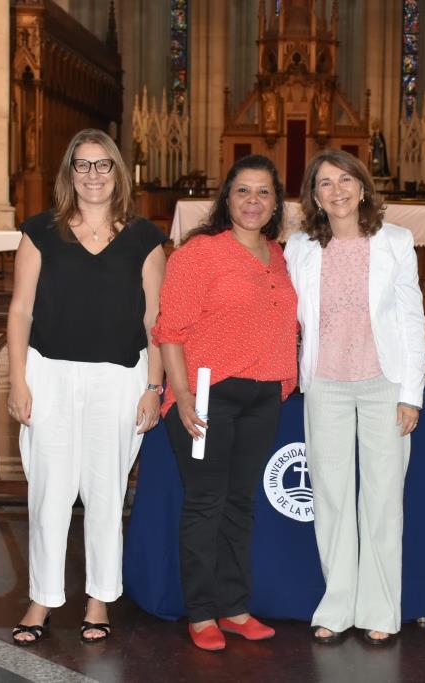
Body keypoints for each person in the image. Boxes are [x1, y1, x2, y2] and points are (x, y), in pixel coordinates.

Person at [7, 129, 166, 646]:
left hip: (119, 378)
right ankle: (42, 598)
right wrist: (17, 380)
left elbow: (154, 318)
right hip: (49, 373)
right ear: (69, 173)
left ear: (117, 172)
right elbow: (21, 309)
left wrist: (154, 385)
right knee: (50, 493)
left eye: (103, 165)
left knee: (105, 492)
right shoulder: (39, 231)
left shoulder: (144, 237)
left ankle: (99, 597)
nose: (93, 175)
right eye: (83, 165)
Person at [152, 154, 298, 651]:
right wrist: (185, 395)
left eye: (263, 192)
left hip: (263, 396)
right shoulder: (200, 254)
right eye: (243, 191)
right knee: (205, 503)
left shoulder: (278, 255)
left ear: (277, 203)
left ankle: (235, 606)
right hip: (208, 395)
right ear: (226, 197)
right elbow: (169, 331)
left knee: (241, 504)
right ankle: (202, 613)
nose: (253, 201)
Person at [285, 149, 425, 646]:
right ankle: (339, 603)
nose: (337, 190)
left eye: (345, 180)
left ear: (362, 187)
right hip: (324, 383)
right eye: (325, 183)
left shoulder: (396, 242)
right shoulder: (300, 246)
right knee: (332, 498)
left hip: (383, 383)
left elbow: (411, 321)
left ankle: (382, 607)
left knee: (384, 499)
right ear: (315, 197)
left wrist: (412, 393)